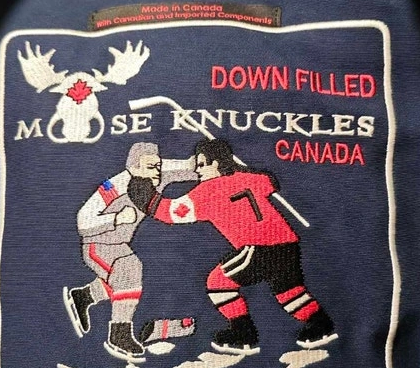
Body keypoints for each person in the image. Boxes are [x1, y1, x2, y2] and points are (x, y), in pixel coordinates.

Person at [127, 138, 336, 354]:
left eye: (201, 164)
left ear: (216, 163)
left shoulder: (208, 191)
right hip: (288, 245)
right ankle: (321, 323)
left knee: (218, 282)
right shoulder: (250, 178)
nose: (197, 170)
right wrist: (242, 170)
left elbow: (170, 212)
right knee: (289, 292)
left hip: (260, 247)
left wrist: (143, 194)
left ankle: (243, 331)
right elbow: (270, 181)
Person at [63, 142, 195, 361]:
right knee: (129, 270)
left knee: (122, 278)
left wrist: (207, 165)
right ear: (134, 168)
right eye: (150, 167)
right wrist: (116, 218)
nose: (157, 171)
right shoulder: (114, 187)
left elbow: (185, 167)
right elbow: (83, 219)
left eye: (158, 165)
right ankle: (119, 333)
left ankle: (84, 296)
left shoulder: (158, 175)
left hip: (120, 244)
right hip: (97, 244)